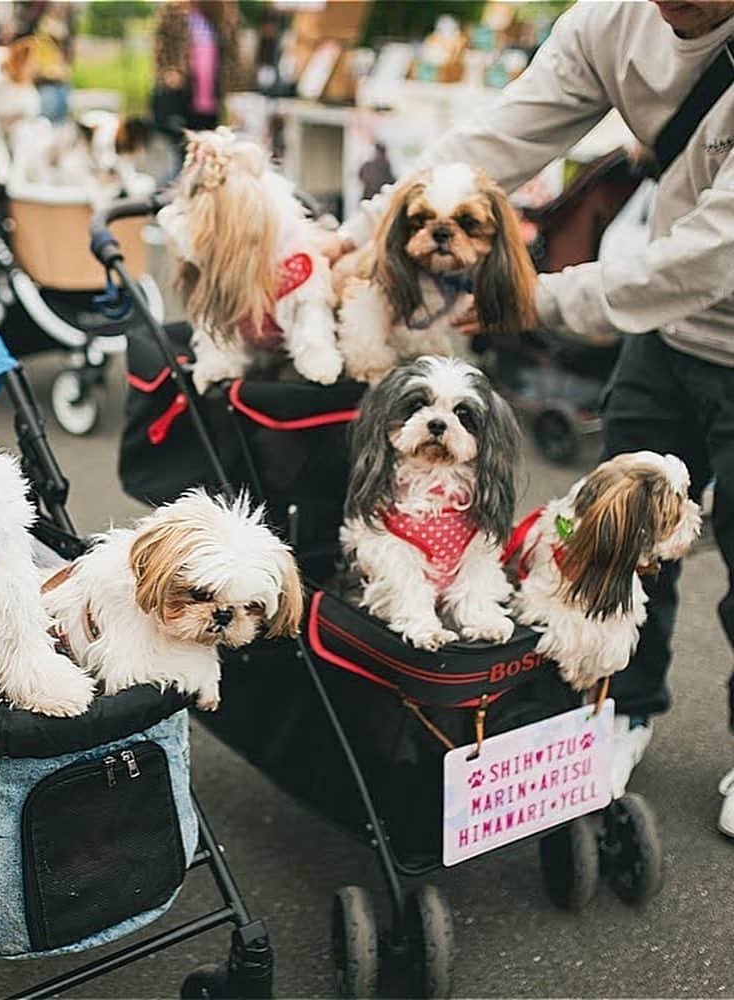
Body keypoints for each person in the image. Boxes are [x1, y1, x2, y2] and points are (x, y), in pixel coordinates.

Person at [327, 0, 734, 835]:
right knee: (611, 539)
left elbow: (712, 254)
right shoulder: (611, 21)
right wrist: (372, 233)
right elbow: (498, 137)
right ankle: (622, 706)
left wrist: (538, 301)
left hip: (695, 292)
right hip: (664, 333)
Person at [152, 0, 241, 137]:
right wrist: (168, 71)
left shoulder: (218, 15)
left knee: (208, 138)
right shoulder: (171, 14)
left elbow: (230, 59)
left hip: (209, 95)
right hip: (180, 94)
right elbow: (160, 48)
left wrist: (232, 94)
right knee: (179, 142)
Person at [0, 1, 76, 123]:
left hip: (46, 86)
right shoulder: (3, 9)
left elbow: (62, 54)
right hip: (6, 88)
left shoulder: (56, 9)